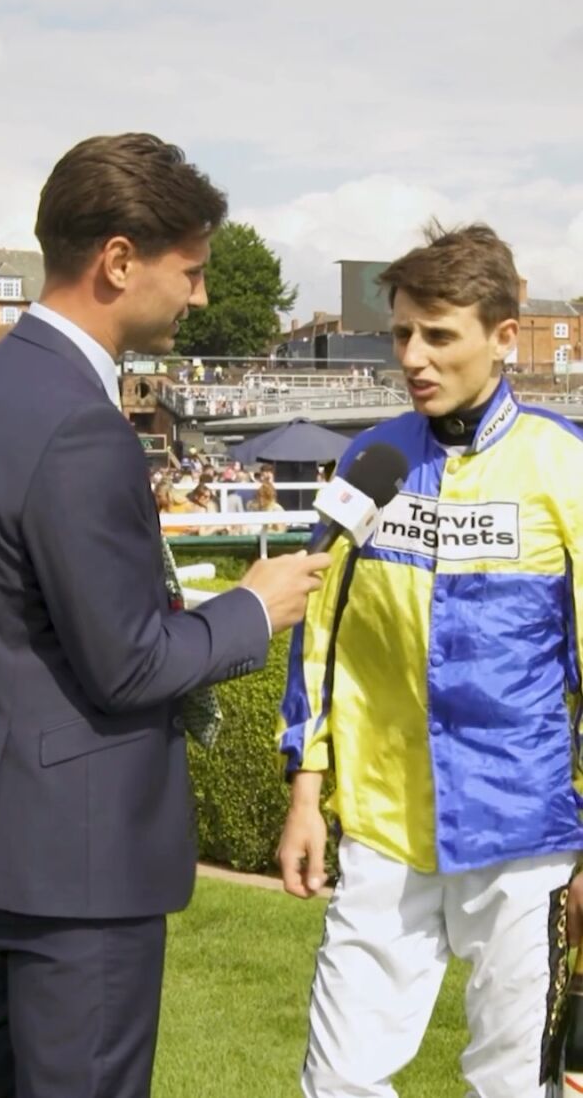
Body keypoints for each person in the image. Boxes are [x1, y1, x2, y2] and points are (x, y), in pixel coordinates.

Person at [0, 131, 331, 1098]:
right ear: (120, 259)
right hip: (82, 861)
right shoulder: (80, 421)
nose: (199, 294)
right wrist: (251, 607)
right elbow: (125, 663)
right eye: (190, 270)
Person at [277, 221, 583, 1098]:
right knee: (336, 1080)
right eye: (403, 332)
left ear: (502, 334)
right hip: (382, 828)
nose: (413, 356)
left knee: (514, 1083)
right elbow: (316, 632)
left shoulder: (566, 469)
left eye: (438, 335)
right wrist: (307, 790)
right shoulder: (368, 460)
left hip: (524, 834)